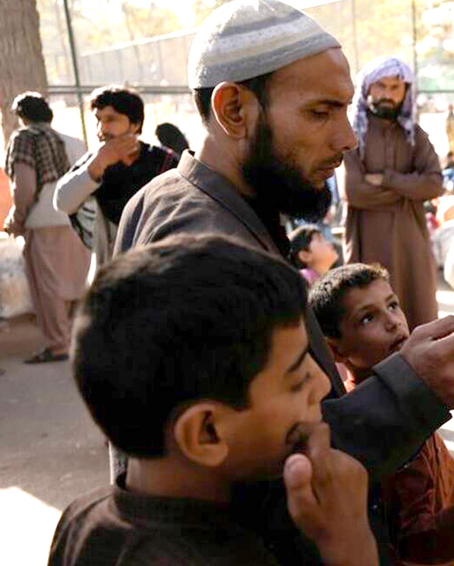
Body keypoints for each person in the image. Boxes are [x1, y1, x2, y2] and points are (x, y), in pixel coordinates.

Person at [112, 0, 454, 564]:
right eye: (321, 112)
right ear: (234, 109)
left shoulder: (178, 199)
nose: (347, 138)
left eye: (345, 110)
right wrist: (410, 389)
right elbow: (257, 476)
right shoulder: (208, 247)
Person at [48, 235, 377, 566]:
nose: (321, 384)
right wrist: (350, 542)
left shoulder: (81, 519)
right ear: (206, 433)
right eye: (297, 378)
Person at [310, 264, 454, 566]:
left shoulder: (413, 389)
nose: (393, 322)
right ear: (336, 350)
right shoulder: (376, 423)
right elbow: (413, 544)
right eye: (367, 317)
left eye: (393, 305)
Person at [340, 56, 444, 330]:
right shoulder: (351, 136)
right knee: (368, 320)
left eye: (395, 88)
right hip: (366, 242)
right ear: (367, 89)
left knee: (417, 316)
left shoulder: (416, 137)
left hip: (412, 246)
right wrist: (410, 189)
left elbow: (434, 184)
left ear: (405, 92)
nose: (388, 94)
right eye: (381, 86)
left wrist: (386, 179)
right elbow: (354, 191)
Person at [3, 92, 90, 363]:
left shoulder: (24, 139)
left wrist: (16, 219)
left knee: (49, 287)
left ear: (23, 117)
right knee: (75, 281)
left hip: (43, 222)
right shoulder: (75, 143)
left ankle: (58, 345)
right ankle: (81, 338)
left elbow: (25, 188)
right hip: (78, 220)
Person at [54, 85, 178, 272]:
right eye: (98, 120)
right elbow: (62, 202)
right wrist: (97, 165)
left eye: (111, 119)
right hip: (114, 268)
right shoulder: (95, 162)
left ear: (135, 124)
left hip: (163, 264)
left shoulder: (163, 162)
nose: (101, 129)